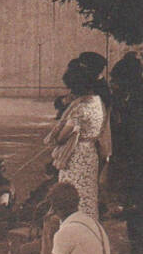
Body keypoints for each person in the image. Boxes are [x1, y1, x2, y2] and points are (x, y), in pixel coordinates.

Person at [44, 61, 108, 219]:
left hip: (75, 156)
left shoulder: (80, 108)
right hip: (90, 152)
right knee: (88, 195)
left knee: (71, 194)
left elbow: (61, 137)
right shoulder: (98, 102)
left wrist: (59, 132)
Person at [109, 52, 143, 254]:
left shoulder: (136, 104)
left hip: (139, 167)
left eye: (116, 81)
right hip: (137, 166)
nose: (113, 85)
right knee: (137, 212)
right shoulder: (134, 98)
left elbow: (130, 138)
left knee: (138, 212)